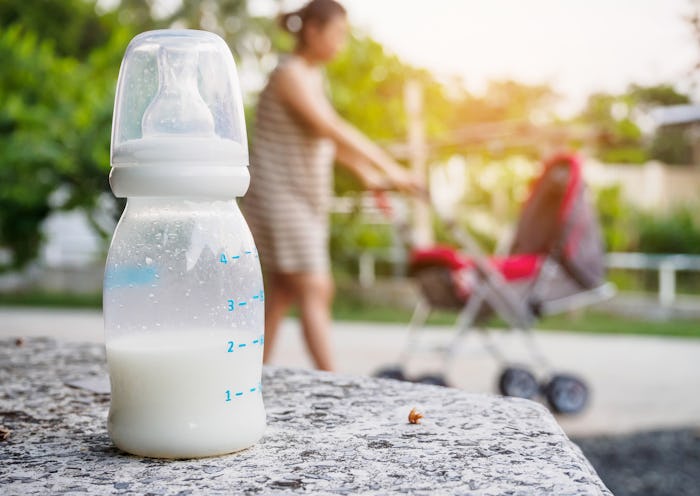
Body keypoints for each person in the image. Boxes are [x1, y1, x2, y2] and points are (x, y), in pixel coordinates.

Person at [243, 0, 423, 371]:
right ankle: (334, 381)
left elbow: (323, 138)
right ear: (312, 31)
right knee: (315, 286)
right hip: (281, 197)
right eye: (338, 34)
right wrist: (394, 167)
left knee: (281, 290)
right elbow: (332, 128)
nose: (342, 43)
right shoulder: (288, 74)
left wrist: (368, 175)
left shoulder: (312, 76)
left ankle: (250, 374)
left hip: (304, 197)